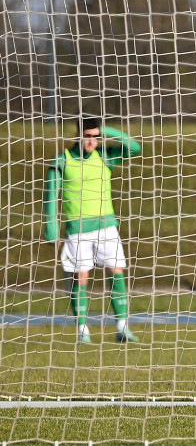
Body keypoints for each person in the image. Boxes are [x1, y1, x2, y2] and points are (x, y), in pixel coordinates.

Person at [43, 116, 143, 344]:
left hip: (107, 226)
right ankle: (82, 330)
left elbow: (135, 147)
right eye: (87, 137)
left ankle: (122, 327)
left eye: (96, 138)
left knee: (116, 272)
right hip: (78, 231)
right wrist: (51, 226)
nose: (92, 142)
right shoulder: (62, 160)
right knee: (81, 278)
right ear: (78, 136)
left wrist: (105, 129)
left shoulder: (105, 156)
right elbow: (51, 196)